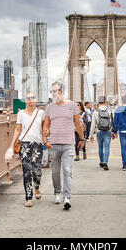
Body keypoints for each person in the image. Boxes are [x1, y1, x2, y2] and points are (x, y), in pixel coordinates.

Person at [43, 81, 85, 210]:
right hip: (54, 144)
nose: (53, 93)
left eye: (54, 91)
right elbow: (46, 125)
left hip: (69, 144)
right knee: (55, 172)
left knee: (67, 171)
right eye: (52, 91)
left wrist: (82, 139)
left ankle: (67, 197)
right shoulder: (49, 107)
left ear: (61, 91)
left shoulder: (72, 106)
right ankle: (57, 193)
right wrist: (45, 140)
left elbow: (78, 124)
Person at [9, 92, 45, 207]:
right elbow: (17, 130)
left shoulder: (41, 113)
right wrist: (12, 145)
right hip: (24, 145)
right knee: (27, 172)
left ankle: (37, 187)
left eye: (32, 98)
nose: (30, 100)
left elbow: (45, 128)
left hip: (37, 144)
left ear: (36, 100)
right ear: (26, 101)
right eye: (28, 98)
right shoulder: (21, 113)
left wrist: (46, 138)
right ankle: (28, 197)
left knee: (37, 171)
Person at [89, 96, 113, 170]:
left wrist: (91, 135)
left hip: (99, 131)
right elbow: (112, 122)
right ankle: (105, 162)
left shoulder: (96, 111)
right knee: (107, 147)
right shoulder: (109, 110)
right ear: (105, 101)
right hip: (108, 131)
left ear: (98, 102)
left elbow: (93, 125)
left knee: (100, 147)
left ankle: (101, 162)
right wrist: (113, 132)